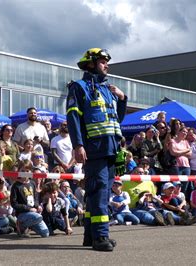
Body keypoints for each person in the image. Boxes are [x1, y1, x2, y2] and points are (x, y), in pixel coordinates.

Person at [66, 48, 127, 251]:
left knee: (97, 193)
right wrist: (78, 145)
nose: (106, 65)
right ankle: (101, 237)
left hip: (111, 149)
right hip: (94, 148)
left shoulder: (107, 90)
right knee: (99, 192)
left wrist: (122, 98)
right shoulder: (79, 87)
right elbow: (73, 118)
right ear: (91, 64)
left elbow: (117, 119)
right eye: (102, 62)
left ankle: (90, 236)